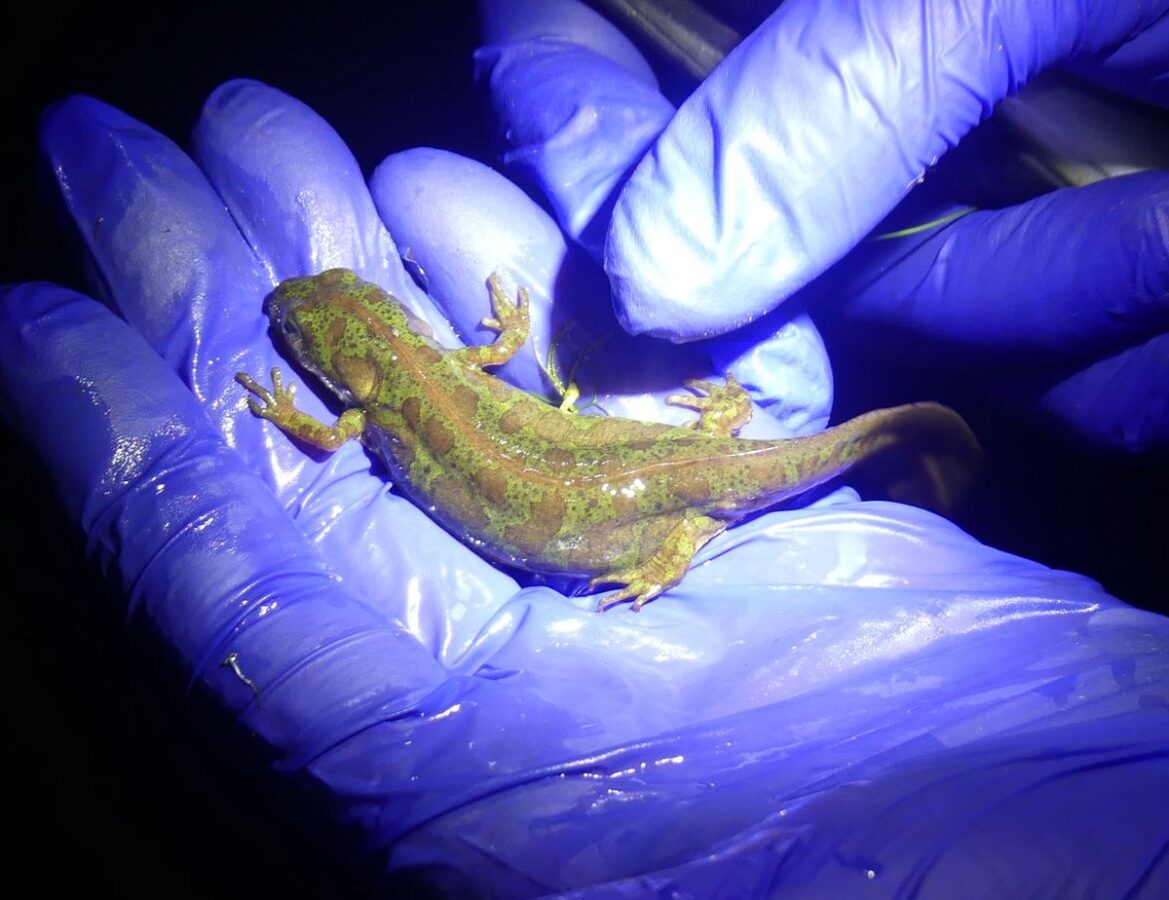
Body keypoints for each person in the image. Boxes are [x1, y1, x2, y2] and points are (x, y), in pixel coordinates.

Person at [1, 1, 1165, 894]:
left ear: (365, 350)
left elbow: (354, 419)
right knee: (652, 461)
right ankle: (781, 458)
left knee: (676, 495)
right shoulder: (414, 376)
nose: (293, 327)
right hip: (644, 465)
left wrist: (301, 407)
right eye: (307, 330)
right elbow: (478, 357)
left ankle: (747, 496)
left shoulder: (366, 403)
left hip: (674, 492)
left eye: (308, 327)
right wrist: (501, 341)